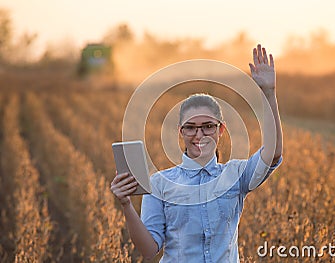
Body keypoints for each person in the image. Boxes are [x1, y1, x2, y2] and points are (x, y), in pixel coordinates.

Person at [110, 44, 283, 262]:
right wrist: (125, 204)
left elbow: (274, 153)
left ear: (221, 130)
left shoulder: (236, 174)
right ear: (180, 132)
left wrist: (269, 94)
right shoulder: (160, 184)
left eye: (208, 126)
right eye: (190, 127)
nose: (199, 134)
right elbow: (149, 250)